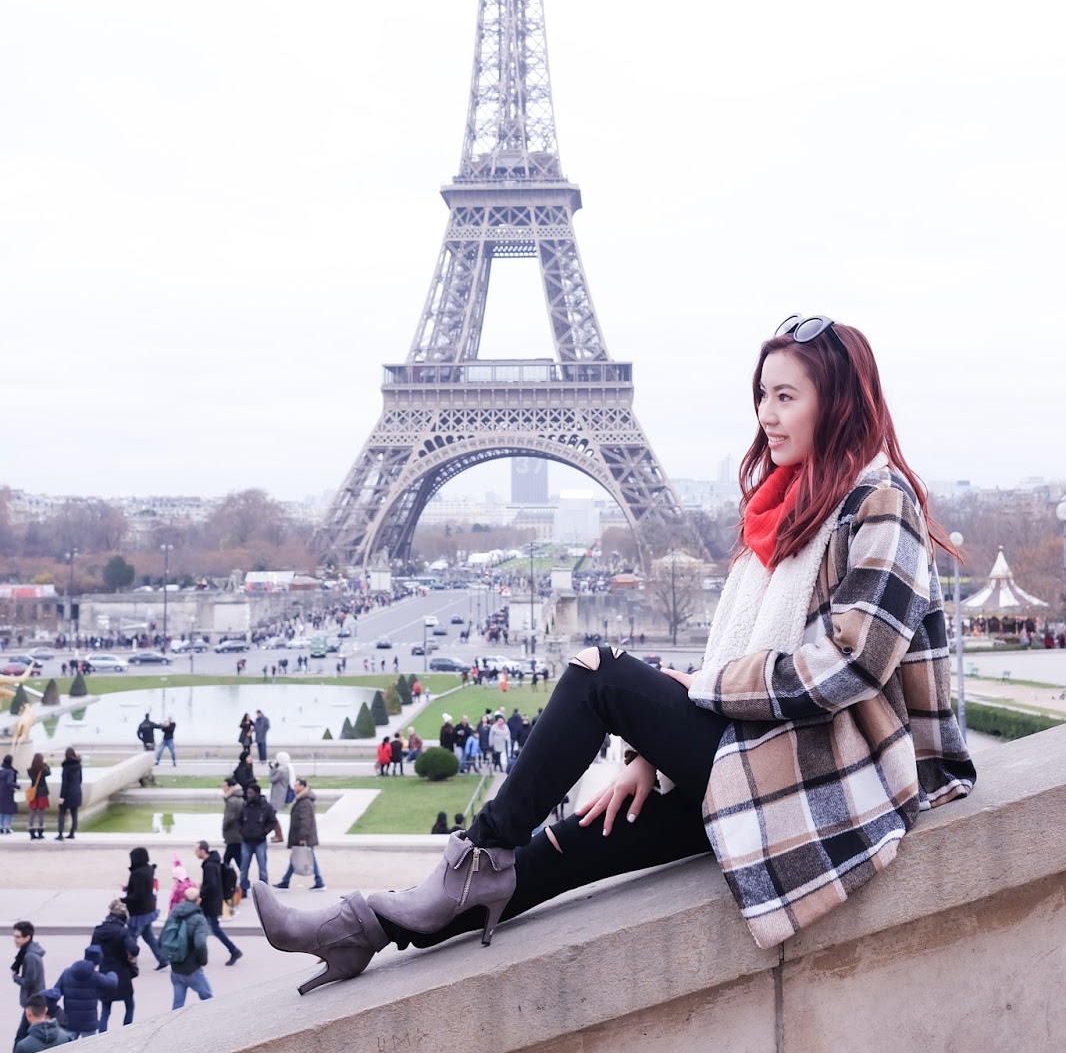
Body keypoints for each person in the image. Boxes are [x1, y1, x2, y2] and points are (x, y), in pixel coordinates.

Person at [254, 315, 976, 991]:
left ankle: (472, 854)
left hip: (825, 775)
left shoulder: (880, 500)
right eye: (762, 395)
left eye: (786, 397)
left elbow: (852, 663)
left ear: (839, 402)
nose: (766, 414)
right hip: (759, 760)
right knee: (558, 851)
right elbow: (747, 654)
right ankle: (361, 928)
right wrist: (651, 756)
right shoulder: (786, 506)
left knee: (597, 674)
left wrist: (701, 690)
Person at [158, 885, 212, 1010]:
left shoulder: (174, 913)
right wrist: (203, 961)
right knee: (209, 1000)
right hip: (192, 969)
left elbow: (162, 938)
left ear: (184, 899)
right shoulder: (199, 920)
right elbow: (200, 944)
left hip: (175, 969)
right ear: (199, 900)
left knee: (177, 1006)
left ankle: (173, 1022)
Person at [90, 901, 139, 1031]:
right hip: (122, 972)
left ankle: (102, 1035)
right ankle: (126, 1031)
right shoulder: (122, 931)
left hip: (104, 972)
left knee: (106, 1009)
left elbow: (92, 951)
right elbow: (134, 950)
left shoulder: (99, 930)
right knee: (129, 1005)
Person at [193, 841, 242, 965]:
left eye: (196, 850)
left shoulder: (209, 866)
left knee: (213, 928)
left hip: (210, 902)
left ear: (202, 851)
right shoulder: (212, 862)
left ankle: (234, 950)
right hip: (212, 900)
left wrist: (200, 894)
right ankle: (199, 954)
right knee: (205, 927)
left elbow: (211, 884)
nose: (195, 853)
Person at [52, 944, 117, 1038]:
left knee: (69, 1044)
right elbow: (111, 983)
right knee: (89, 1045)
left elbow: (56, 992)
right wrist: (112, 973)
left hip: (70, 1021)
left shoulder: (67, 973)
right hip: (89, 1023)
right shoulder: (95, 976)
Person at [273, 780, 325, 891]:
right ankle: (286, 881)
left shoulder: (304, 802)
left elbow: (305, 821)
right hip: (302, 836)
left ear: (302, 787)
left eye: (296, 785)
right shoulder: (303, 800)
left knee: (302, 857)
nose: (294, 787)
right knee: (299, 857)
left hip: (303, 837)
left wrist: (302, 837)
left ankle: (318, 881)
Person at [122, 847, 164, 966]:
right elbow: (143, 888)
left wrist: (123, 900)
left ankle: (131, 961)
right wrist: (129, 888)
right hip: (148, 909)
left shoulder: (138, 873)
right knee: (148, 936)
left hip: (139, 912)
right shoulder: (148, 869)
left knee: (132, 936)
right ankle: (163, 959)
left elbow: (138, 894)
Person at [237, 783, 278, 896]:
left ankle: (264, 892)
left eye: (251, 793)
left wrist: (264, 832)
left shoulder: (266, 807)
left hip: (260, 841)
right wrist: (242, 831)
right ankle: (243, 889)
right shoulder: (245, 805)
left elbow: (273, 821)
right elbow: (238, 820)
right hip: (246, 841)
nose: (248, 795)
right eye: (248, 793)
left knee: (262, 868)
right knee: (244, 868)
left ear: (257, 793)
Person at [11, 922, 47, 1047]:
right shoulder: (27, 952)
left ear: (27, 937)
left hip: (33, 1002)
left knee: (20, 1038)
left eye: (18, 937)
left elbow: (29, 982)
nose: (15, 940)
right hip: (33, 1001)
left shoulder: (30, 956)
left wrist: (15, 977)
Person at [220, 779, 244, 895]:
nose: (223, 788)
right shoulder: (240, 799)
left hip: (232, 835)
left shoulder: (231, 801)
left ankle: (225, 883)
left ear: (230, 787)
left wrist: (223, 828)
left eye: (224, 786)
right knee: (233, 860)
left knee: (228, 861)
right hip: (238, 835)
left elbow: (228, 818)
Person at [56, 747, 82, 841]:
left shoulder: (66, 767)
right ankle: (72, 833)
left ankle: (60, 834)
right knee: (74, 813)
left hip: (67, 793)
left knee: (62, 813)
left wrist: (61, 797)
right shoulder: (79, 765)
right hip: (77, 792)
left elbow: (64, 783)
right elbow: (80, 779)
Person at [26, 755, 50, 840]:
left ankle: (31, 832)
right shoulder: (43, 770)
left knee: (32, 813)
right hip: (42, 793)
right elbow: (49, 773)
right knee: (41, 814)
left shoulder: (29, 770)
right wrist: (45, 764)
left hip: (33, 794)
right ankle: (40, 833)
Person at [0, 754, 18, 834]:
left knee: (1, 810)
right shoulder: (10, 771)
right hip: (8, 793)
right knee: (9, 811)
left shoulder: (1, 770)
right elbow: (10, 782)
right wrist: (17, 786)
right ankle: (7, 828)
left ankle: (0, 827)